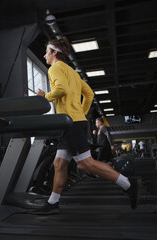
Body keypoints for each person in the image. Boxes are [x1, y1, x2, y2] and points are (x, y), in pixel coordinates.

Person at [32, 37, 141, 215]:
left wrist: (45, 97)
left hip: (70, 123)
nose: (44, 55)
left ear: (54, 53)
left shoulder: (55, 68)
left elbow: (61, 90)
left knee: (85, 164)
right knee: (59, 163)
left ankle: (128, 184)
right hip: (74, 121)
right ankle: (53, 203)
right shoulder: (72, 72)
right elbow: (89, 94)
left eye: (46, 52)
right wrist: (81, 113)